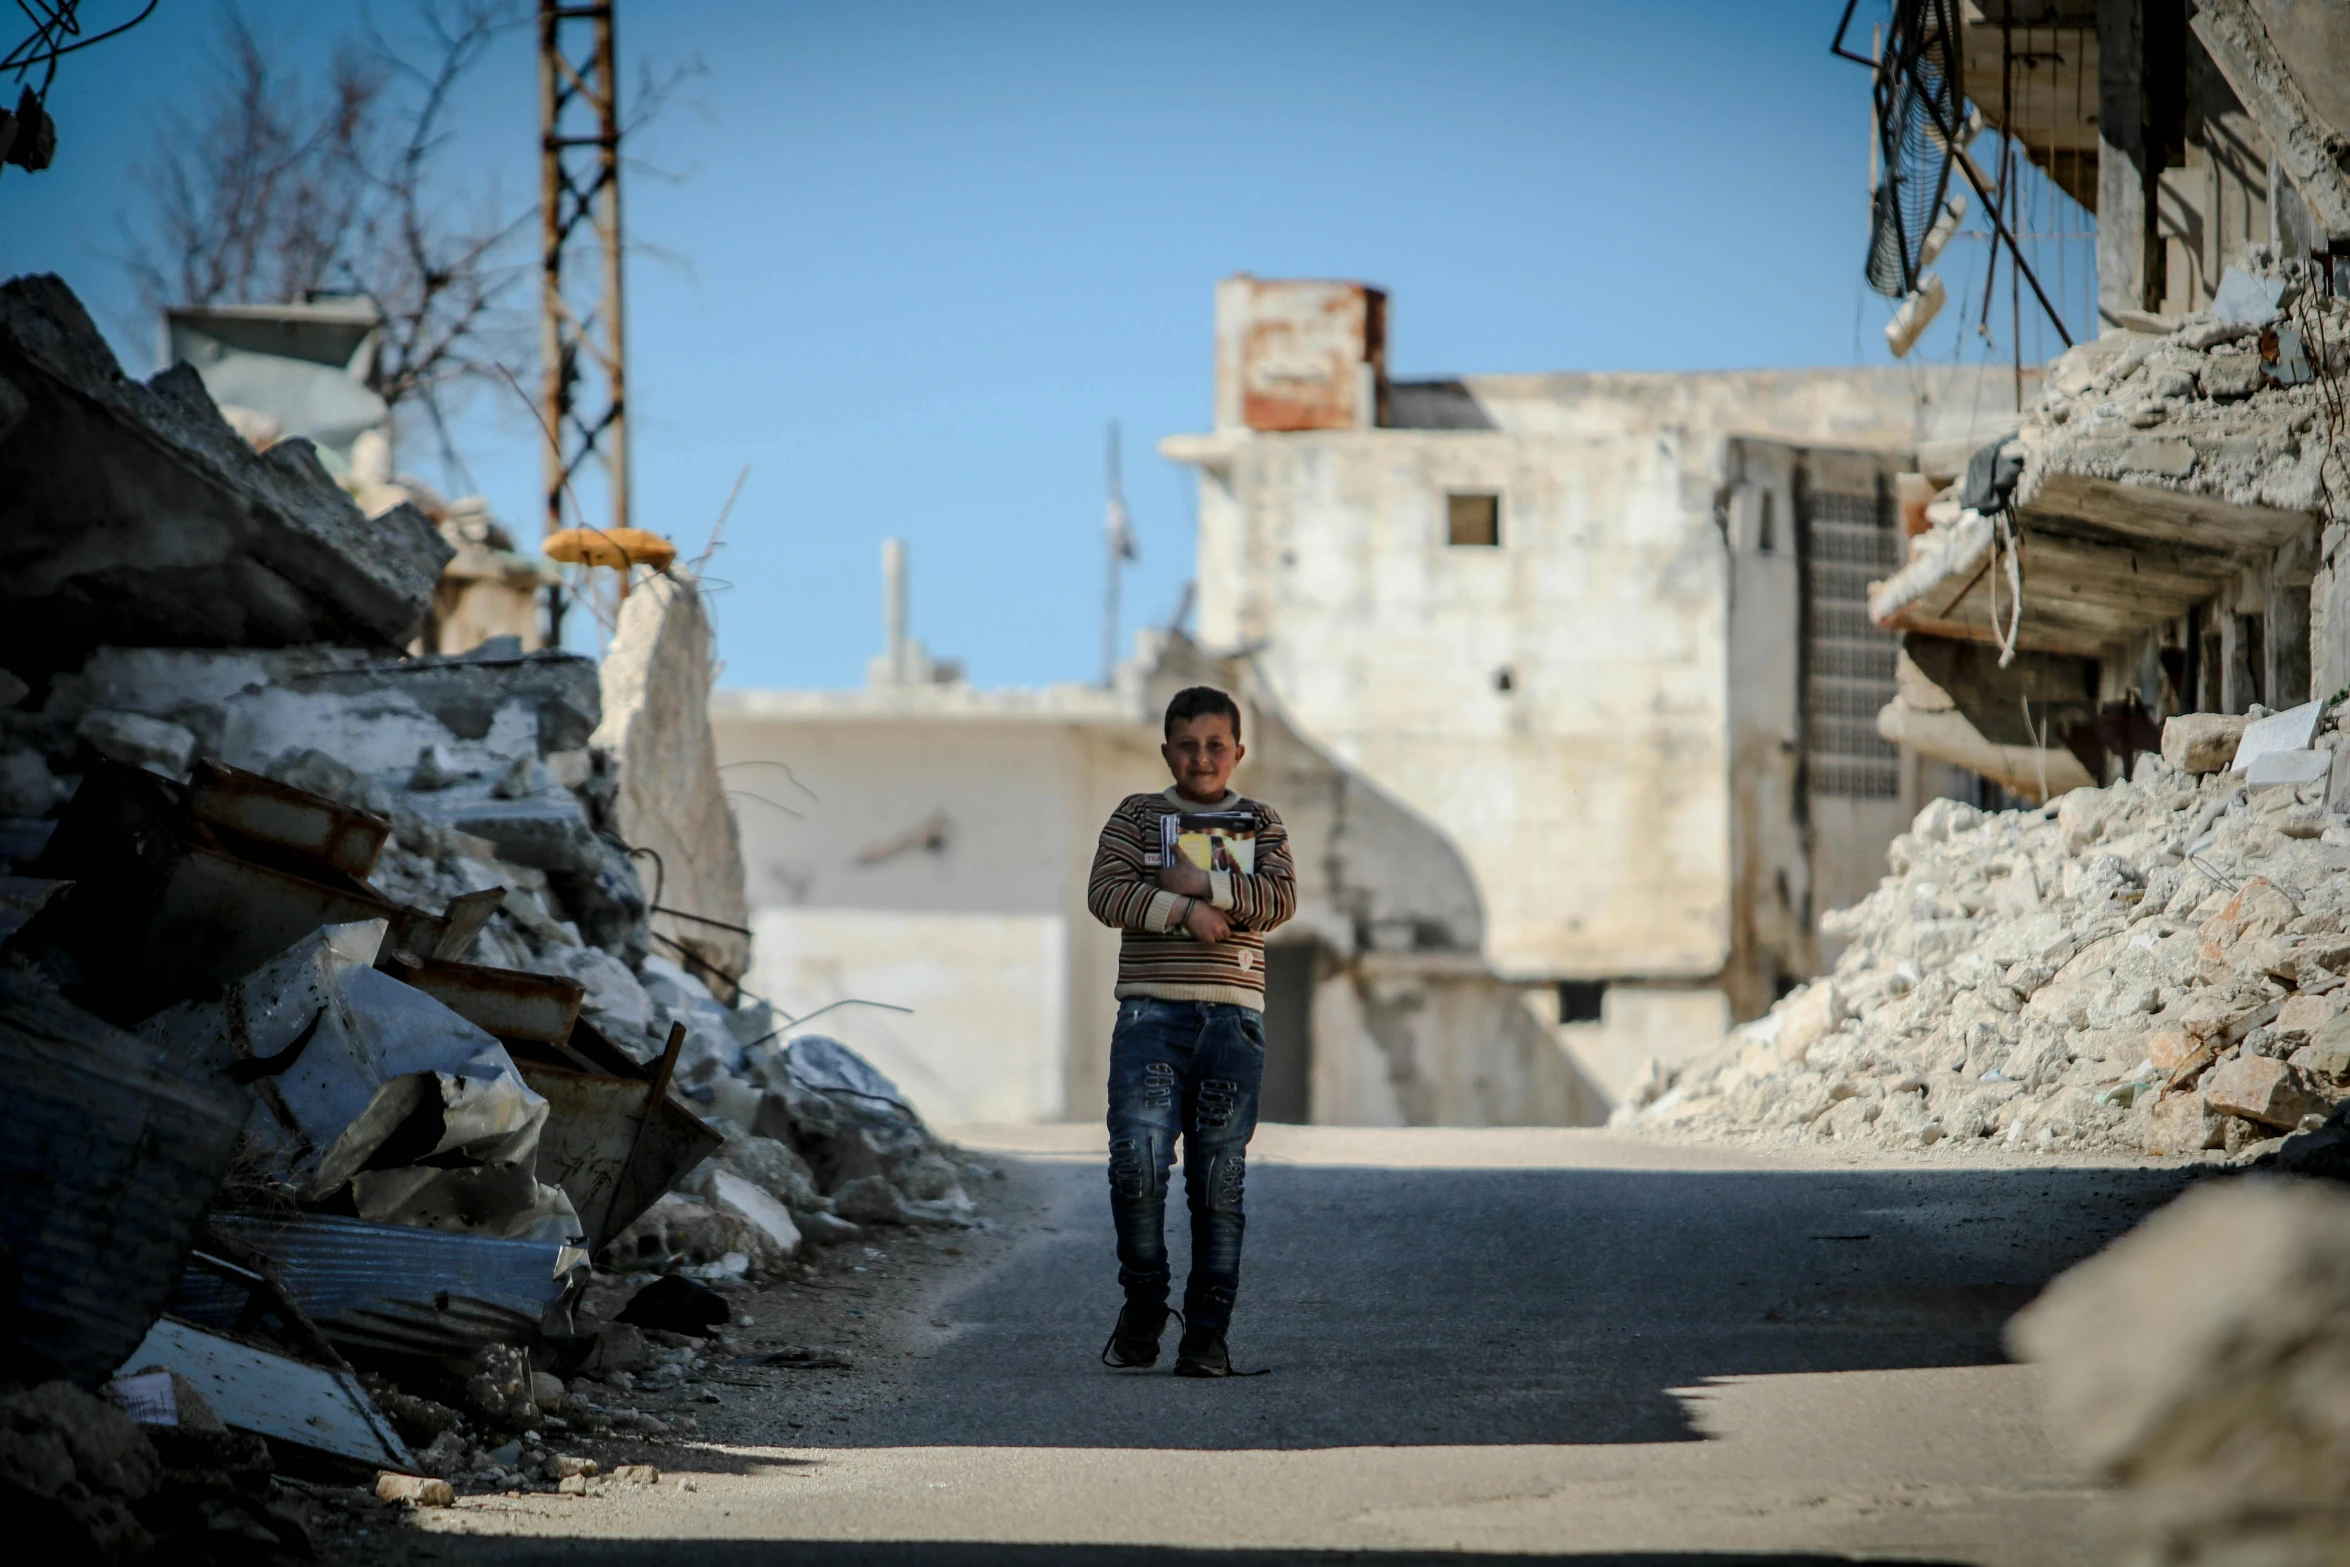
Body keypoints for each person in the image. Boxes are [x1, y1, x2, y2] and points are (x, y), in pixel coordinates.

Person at [1084, 685, 1296, 1376]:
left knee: (1218, 1180)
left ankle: (1207, 1331)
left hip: (1233, 1022)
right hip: (1152, 1014)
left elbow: (1280, 899)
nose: (1200, 757)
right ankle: (1144, 1300)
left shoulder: (1261, 820)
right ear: (1166, 749)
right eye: (1186, 743)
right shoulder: (1138, 816)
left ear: (1237, 751)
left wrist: (1204, 887)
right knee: (1138, 1162)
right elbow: (1106, 892)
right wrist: (1183, 912)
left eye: (1214, 744)